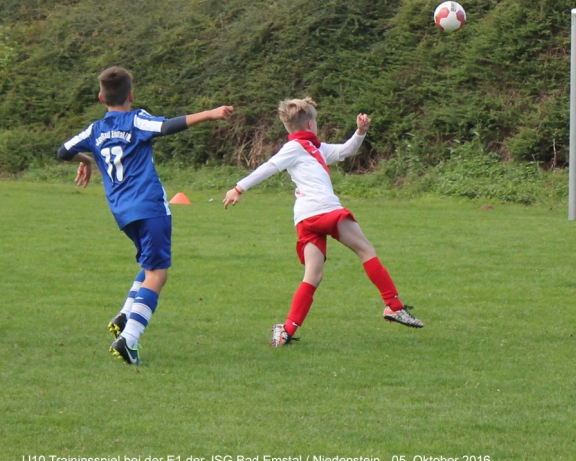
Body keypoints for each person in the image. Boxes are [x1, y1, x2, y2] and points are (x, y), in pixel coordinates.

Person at [58, 66, 234, 365]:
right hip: (150, 206)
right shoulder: (137, 119)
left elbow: (63, 151)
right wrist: (211, 113)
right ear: (131, 95)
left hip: (122, 212)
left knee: (150, 262)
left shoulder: (94, 130)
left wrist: (86, 158)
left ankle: (126, 315)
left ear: (101, 97)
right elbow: (166, 127)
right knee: (158, 273)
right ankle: (129, 340)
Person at [223, 97, 422, 347]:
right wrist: (239, 187)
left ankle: (285, 330)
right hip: (324, 210)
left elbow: (346, 150)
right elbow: (270, 166)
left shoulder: (314, 148)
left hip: (306, 218)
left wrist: (360, 131)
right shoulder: (297, 148)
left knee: (313, 275)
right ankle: (393, 306)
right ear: (310, 123)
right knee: (366, 250)